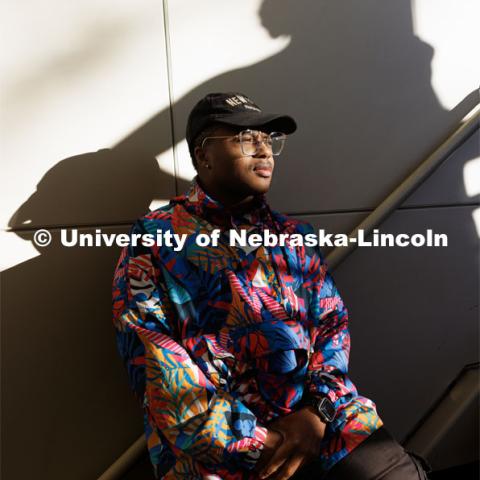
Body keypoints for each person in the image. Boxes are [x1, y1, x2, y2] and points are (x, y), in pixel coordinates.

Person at [112, 92, 431, 479]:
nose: (264, 151)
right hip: (222, 450)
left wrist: (318, 413)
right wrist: (261, 443)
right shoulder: (156, 238)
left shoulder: (293, 234)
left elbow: (332, 327)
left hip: (327, 424)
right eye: (247, 138)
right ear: (203, 155)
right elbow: (157, 368)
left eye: (269, 140)